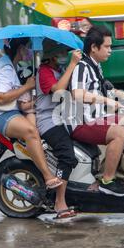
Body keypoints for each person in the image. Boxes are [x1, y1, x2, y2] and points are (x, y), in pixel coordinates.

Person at [69, 26, 124, 197]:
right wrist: (106, 101)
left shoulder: (96, 66)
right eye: (107, 47)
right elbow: (77, 93)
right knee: (119, 133)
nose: (110, 51)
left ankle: (117, 171)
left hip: (97, 118)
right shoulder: (82, 67)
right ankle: (107, 181)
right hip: (82, 123)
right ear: (94, 47)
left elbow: (105, 90)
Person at [0, 37, 62, 189]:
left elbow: (21, 101)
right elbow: (0, 98)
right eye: (27, 47)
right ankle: (48, 176)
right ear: (19, 49)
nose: (29, 51)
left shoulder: (13, 66)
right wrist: (27, 87)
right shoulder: (5, 69)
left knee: (38, 125)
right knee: (31, 131)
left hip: (12, 110)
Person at [35, 47, 82, 219]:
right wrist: (72, 64)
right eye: (61, 53)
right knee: (67, 156)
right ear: (52, 56)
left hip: (65, 118)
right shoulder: (44, 72)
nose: (64, 55)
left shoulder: (58, 70)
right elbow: (58, 91)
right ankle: (59, 201)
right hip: (49, 121)